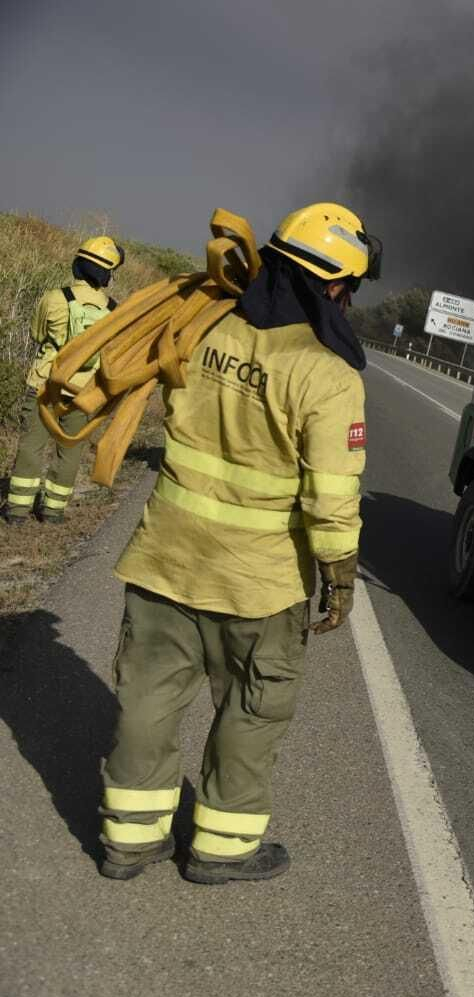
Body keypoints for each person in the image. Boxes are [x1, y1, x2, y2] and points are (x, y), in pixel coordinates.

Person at [96, 203, 380, 883]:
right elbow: (331, 497)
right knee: (252, 711)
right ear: (334, 286)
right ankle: (222, 850)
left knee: (147, 701)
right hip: (261, 584)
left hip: (167, 557)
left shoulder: (202, 323)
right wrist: (339, 578)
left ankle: (128, 841)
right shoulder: (329, 376)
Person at [4, 236, 124, 524]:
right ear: (107, 275)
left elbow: (37, 334)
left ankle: (17, 511)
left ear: (78, 265)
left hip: (44, 384)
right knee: (70, 449)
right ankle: (53, 510)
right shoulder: (114, 310)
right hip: (83, 391)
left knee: (32, 445)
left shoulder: (54, 298)